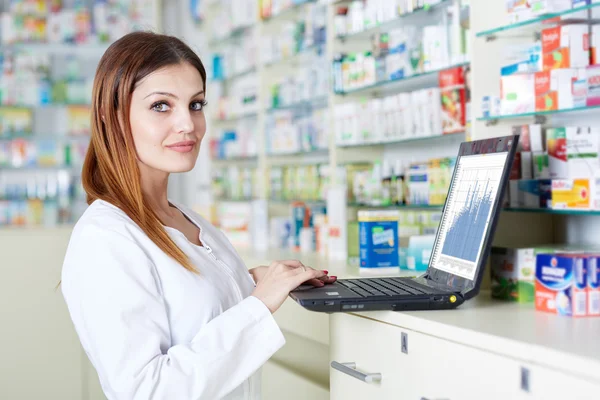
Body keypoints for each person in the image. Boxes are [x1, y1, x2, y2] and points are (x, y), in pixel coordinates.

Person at [61, 31, 337, 400]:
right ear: (113, 117)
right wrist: (259, 304)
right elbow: (146, 391)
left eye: (195, 104)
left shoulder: (189, 222)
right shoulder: (105, 239)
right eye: (161, 105)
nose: (188, 124)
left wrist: (245, 281)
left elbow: (190, 311)